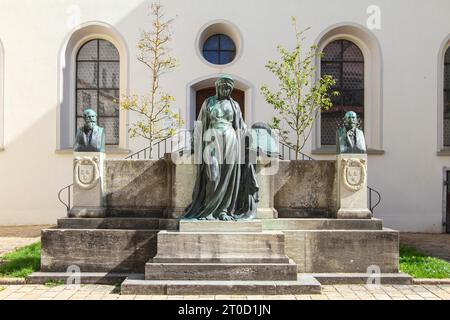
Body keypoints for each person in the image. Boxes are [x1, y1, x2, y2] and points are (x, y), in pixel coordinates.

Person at [182, 75, 259, 221]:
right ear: (217, 87)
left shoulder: (235, 105)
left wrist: (252, 140)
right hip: (211, 139)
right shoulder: (208, 102)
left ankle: (223, 210)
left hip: (231, 140)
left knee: (228, 177)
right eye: (223, 86)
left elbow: (241, 125)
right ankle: (208, 211)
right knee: (213, 174)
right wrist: (193, 142)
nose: (225, 89)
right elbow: (199, 123)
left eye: (229, 87)